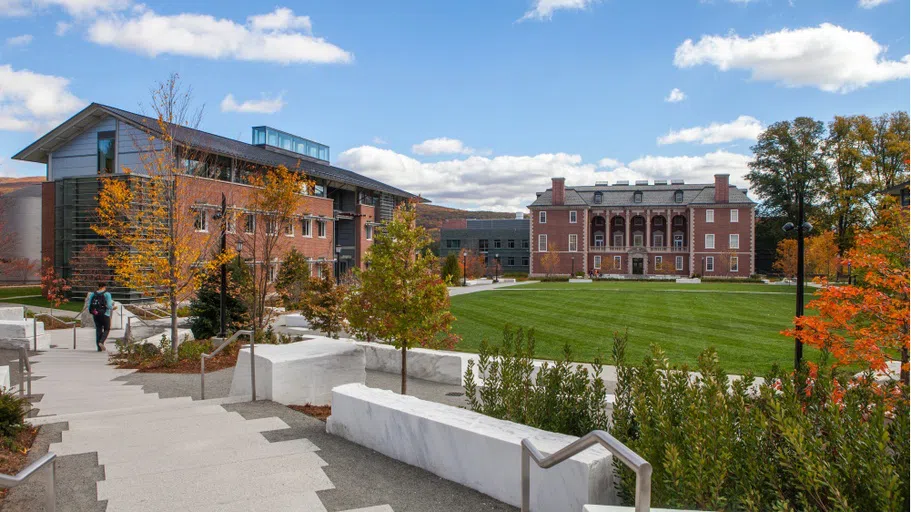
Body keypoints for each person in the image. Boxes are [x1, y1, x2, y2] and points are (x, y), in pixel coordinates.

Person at [88, 282, 114, 352]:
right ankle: (101, 342)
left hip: (95, 314)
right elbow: (108, 305)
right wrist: (112, 308)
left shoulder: (93, 294)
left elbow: (89, 305)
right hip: (105, 314)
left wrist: (93, 312)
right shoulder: (107, 294)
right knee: (107, 328)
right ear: (104, 286)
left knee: (98, 329)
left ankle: (98, 348)